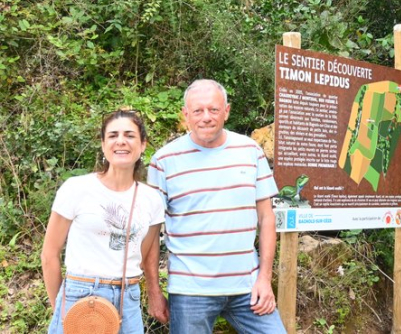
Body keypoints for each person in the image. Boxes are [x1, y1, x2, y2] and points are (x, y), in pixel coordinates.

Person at [144, 79, 286, 334]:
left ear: (227, 111)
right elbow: (151, 233)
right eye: (198, 111)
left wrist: (264, 279)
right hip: (190, 291)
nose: (206, 117)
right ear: (186, 115)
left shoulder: (250, 151)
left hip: (248, 286)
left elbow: (266, 219)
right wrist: (154, 291)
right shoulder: (163, 161)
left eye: (213, 109)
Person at [41, 110, 165, 334]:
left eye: (129, 135)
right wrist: (60, 307)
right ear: (103, 144)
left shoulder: (152, 199)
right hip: (79, 292)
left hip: (127, 296)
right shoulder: (76, 188)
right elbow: (50, 254)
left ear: (143, 144)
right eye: (113, 135)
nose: (121, 141)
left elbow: (142, 255)